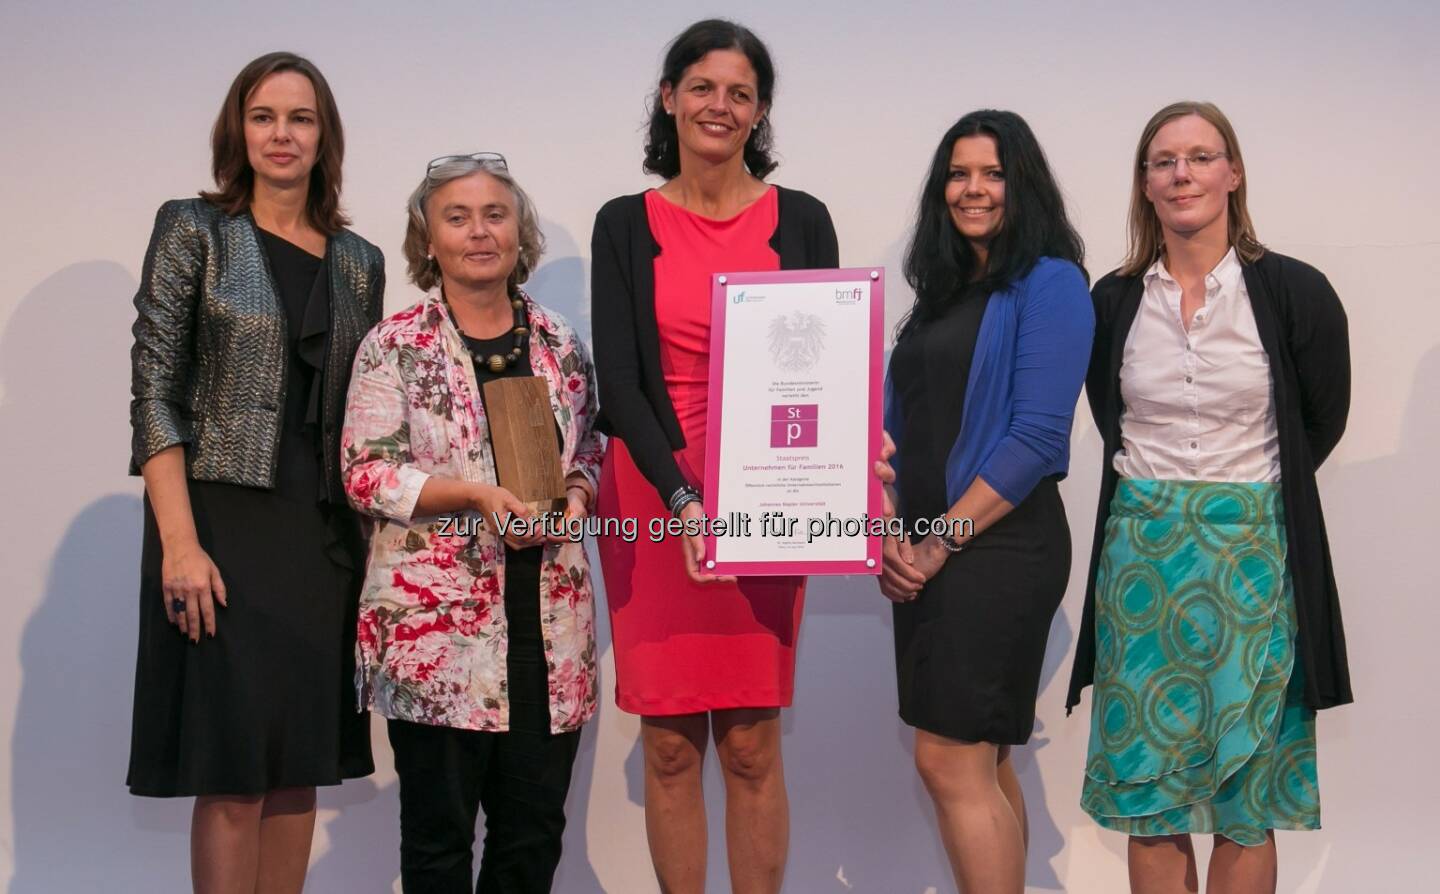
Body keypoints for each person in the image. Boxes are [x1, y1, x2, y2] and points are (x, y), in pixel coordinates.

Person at [1065, 100, 1352, 893]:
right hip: (1143, 563)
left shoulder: (1295, 291)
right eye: (1164, 160)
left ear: (1233, 173)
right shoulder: (1112, 302)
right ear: (1145, 184)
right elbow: (1107, 411)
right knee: (1148, 794)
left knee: (1246, 796)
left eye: (1199, 156)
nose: (1182, 172)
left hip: (1255, 558)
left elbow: (1318, 423)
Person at [589, 18, 838, 894]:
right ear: (669, 98)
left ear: (759, 109)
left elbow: (827, 367)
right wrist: (684, 499)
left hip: (767, 494)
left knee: (748, 742)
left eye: (739, 92)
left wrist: (853, 440)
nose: (718, 106)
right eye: (701, 87)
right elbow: (618, 385)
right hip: (657, 496)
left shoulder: (802, 220)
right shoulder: (624, 224)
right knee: (666, 744)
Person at [126, 51, 381, 892]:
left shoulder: (358, 261)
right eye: (264, 116)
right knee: (232, 771)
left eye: (300, 118)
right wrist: (179, 546)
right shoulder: (193, 229)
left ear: (324, 136)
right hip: (218, 529)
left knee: (297, 767)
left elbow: (365, 413)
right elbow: (156, 394)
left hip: (319, 539)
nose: (281, 134)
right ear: (238, 128)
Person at [341, 153, 602, 893]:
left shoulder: (562, 344)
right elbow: (366, 473)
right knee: (437, 845)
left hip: (549, 635)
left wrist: (578, 494)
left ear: (521, 233)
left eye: (496, 214)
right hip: (435, 637)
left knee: (531, 842)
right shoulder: (394, 346)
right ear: (428, 240)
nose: (479, 232)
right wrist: (475, 496)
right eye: (457, 218)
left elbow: (589, 449)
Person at [875, 109, 1093, 894]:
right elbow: (900, 430)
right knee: (981, 759)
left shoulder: (1052, 282)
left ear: (1022, 183)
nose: (973, 189)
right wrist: (888, 529)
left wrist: (937, 544)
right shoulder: (937, 299)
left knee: (947, 756)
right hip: (928, 550)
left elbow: (1035, 438)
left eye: (993, 173)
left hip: (997, 546)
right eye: (958, 173)